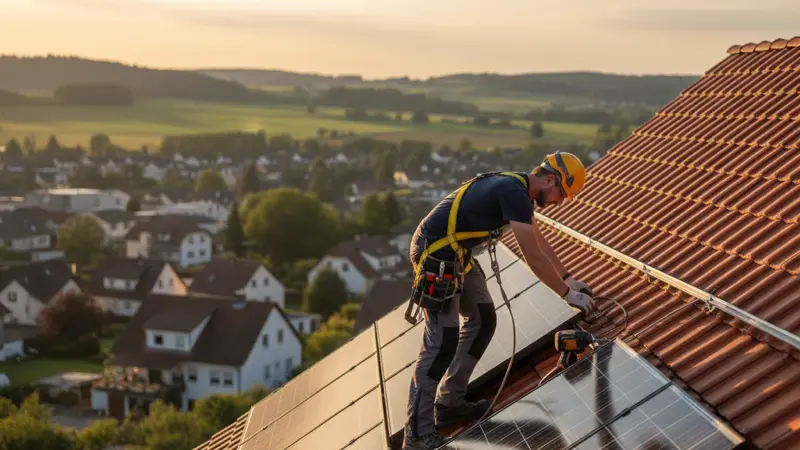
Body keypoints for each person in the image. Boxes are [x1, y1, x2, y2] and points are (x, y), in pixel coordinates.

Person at [402, 152, 597, 450]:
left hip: (457, 254)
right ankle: (416, 435)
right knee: (442, 341)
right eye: (560, 193)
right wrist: (567, 295)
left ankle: (450, 403)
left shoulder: (520, 191)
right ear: (548, 179)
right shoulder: (514, 191)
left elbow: (538, 239)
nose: (559, 201)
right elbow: (532, 256)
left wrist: (568, 279)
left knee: (482, 320)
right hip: (436, 254)